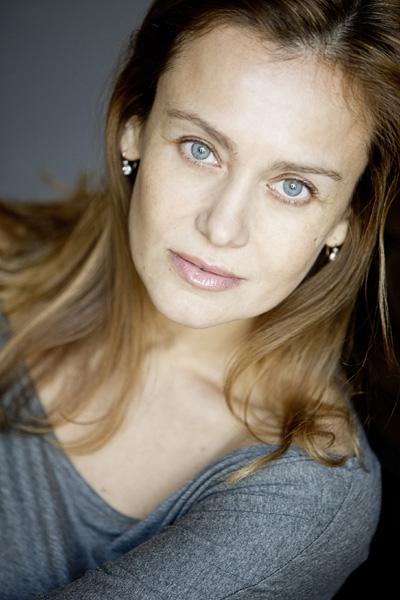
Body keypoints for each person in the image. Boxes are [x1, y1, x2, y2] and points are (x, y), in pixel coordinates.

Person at [0, 0, 398, 598]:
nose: (222, 227)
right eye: (200, 148)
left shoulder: (302, 495)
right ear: (135, 127)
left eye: (293, 186)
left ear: (346, 217)